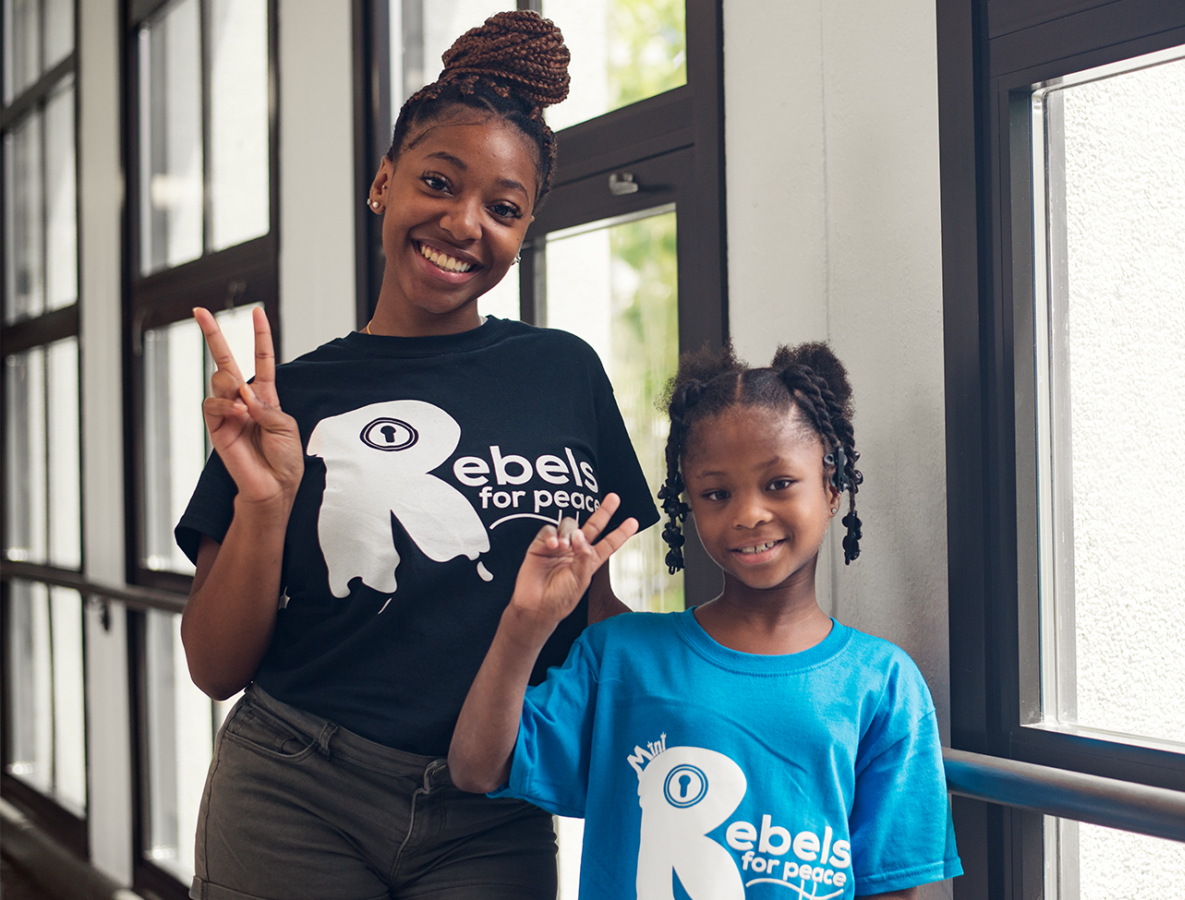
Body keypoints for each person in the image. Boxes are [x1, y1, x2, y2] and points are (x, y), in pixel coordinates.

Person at [175, 12, 658, 900]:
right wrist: (265, 506)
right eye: (438, 182)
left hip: (496, 799)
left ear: (525, 228)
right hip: (296, 789)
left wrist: (728, 669)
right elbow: (214, 667)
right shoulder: (292, 400)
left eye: (503, 208)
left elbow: (594, 605)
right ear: (383, 183)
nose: (464, 223)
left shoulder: (564, 372)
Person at [450, 343, 963, 900]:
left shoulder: (884, 683)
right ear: (689, 503)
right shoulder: (619, 656)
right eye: (716, 493)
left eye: (779, 483)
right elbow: (477, 768)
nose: (748, 515)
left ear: (832, 485)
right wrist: (525, 623)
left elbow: (893, 886)